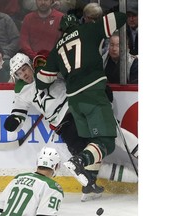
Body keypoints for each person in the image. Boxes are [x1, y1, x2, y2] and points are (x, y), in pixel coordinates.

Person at [34, 12, 127, 187]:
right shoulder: (89, 30)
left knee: (92, 143)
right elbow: (118, 17)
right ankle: (79, 161)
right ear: (77, 23)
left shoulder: (56, 50)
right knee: (106, 141)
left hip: (74, 103)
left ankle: (89, 183)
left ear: (62, 30)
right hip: (93, 94)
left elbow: (41, 81)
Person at [4, 52, 104, 201]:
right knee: (80, 149)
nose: (23, 74)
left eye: (24, 69)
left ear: (30, 65)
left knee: (88, 146)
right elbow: (19, 111)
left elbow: (68, 73)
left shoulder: (45, 71)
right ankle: (89, 182)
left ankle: (87, 178)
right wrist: (15, 120)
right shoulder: (22, 91)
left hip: (74, 109)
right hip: (60, 123)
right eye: (19, 73)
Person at [0, 146, 64, 216]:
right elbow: (46, 214)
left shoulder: (18, 178)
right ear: (56, 166)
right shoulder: (52, 187)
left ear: (38, 162)